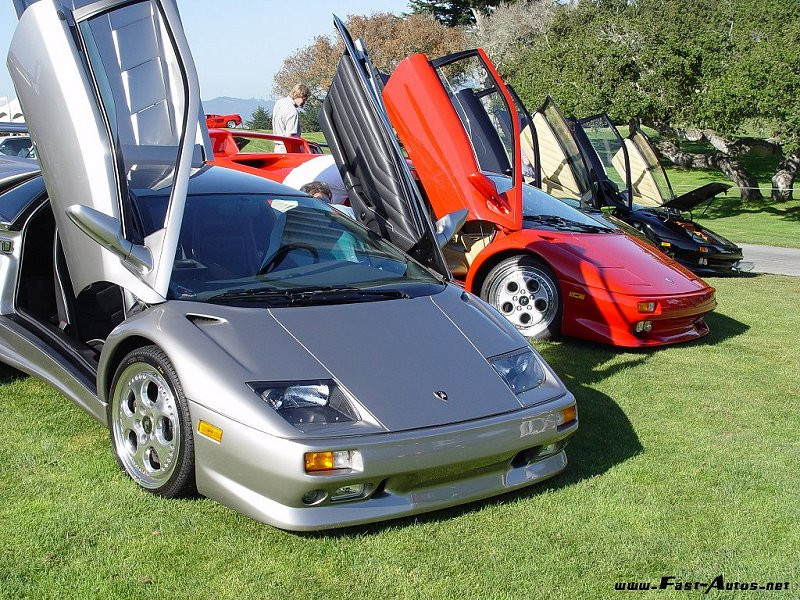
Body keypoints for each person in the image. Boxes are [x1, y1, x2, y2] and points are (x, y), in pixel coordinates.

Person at [271, 83, 309, 153]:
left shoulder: (279, 103)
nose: (304, 102)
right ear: (299, 95)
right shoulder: (292, 112)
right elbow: (290, 136)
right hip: (287, 149)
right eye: (304, 99)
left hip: (277, 148)